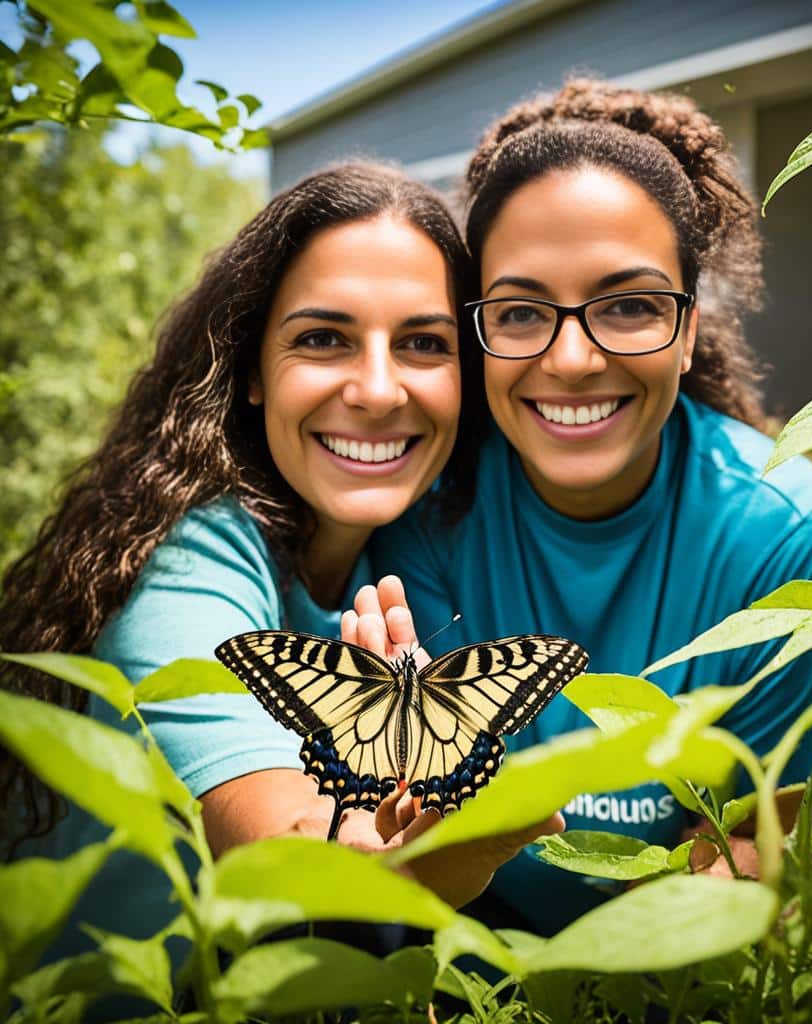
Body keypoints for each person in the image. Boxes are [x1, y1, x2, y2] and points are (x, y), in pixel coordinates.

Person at [0, 163, 560, 967]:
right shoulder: (186, 555)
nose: (376, 389)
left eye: (424, 343)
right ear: (253, 370)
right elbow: (277, 844)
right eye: (323, 338)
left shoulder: (403, 554)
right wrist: (389, 853)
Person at [363, 79, 812, 935]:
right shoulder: (430, 507)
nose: (571, 359)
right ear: (475, 325)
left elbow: (755, 847)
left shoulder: (775, 528)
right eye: (520, 311)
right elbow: (402, 849)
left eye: (630, 306)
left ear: (690, 325)